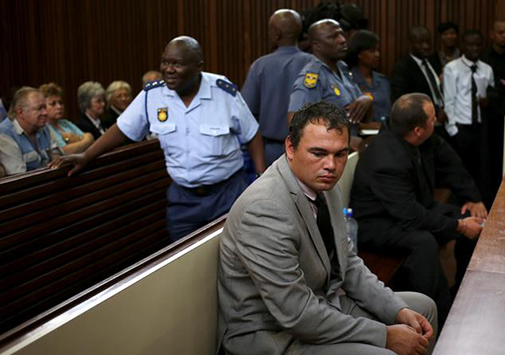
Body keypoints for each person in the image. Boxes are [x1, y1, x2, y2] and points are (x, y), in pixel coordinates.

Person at [217, 101, 437, 355]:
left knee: (420, 311)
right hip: (273, 341)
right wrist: (385, 334)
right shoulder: (264, 209)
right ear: (290, 148)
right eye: (318, 153)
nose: (331, 165)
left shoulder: (322, 183)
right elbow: (296, 314)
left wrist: (396, 311)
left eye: (340, 154)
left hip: (322, 304)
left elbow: (349, 263)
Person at [50, 36, 265, 241]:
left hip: (226, 195)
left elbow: (251, 133)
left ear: (198, 67)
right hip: (183, 199)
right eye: (165, 62)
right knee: (183, 262)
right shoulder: (153, 96)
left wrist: (260, 178)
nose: (168, 69)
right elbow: (123, 129)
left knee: (231, 257)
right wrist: (87, 155)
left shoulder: (222, 92)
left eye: (177, 64)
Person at [350, 93, 486, 327]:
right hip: (377, 224)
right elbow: (410, 216)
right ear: (418, 130)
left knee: (468, 217)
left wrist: (469, 206)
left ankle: (465, 291)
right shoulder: (387, 159)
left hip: (406, 210)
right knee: (424, 242)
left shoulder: (411, 137)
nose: (437, 121)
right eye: (433, 119)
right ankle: (436, 315)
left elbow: (450, 165)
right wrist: (460, 227)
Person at [241, 9, 312, 167]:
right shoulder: (314, 64)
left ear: (276, 33)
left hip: (271, 152)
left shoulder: (260, 66)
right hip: (308, 150)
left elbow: (246, 113)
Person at [288, 18, 372, 150]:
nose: (342, 40)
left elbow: (358, 112)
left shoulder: (342, 68)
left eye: (341, 34)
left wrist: (366, 99)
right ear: (317, 45)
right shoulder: (313, 78)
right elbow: (295, 124)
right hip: (327, 158)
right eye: (333, 37)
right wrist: (342, 142)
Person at [443, 30, 494, 197]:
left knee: (482, 170)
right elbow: (449, 100)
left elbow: (492, 95)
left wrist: (487, 101)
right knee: (462, 170)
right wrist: (453, 130)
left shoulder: (487, 69)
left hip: (480, 127)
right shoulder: (452, 68)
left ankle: (481, 204)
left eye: (478, 44)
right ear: (463, 46)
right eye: (470, 45)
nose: (474, 48)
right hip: (461, 127)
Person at [391, 26, 447, 138]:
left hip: (444, 123)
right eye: (420, 43)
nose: (425, 46)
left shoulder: (434, 61)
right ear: (410, 44)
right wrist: (436, 110)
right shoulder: (403, 68)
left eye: (427, 42)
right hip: (422, 126)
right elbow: (404, 101)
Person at [480, 20, 505, 195]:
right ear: (492, 34)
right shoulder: (484, 58)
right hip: (490, 116)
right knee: (490, 159)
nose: (504, 36)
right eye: (500, 32)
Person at [0, 87, 59, 177]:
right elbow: (19, 177)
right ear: (21, 112)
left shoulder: (44, 127)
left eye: (45, 107)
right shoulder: (5, 134)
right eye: (39, 109)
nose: (45, 113)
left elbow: (58, 160)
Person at [346, 29, 392, 126]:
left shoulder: (383, 80)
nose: (377, 55)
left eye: (377, 50)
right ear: (359, 54)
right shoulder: (348, 80)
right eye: (372, 51)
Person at [39, 83, 94, 155]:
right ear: (43, 107)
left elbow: (90, 137)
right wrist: (81, 139)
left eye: (61, 103)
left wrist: (75, 141)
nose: (59, 107)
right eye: (53, 104)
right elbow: (64, 151)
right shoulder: (44, 129)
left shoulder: (65, 123)